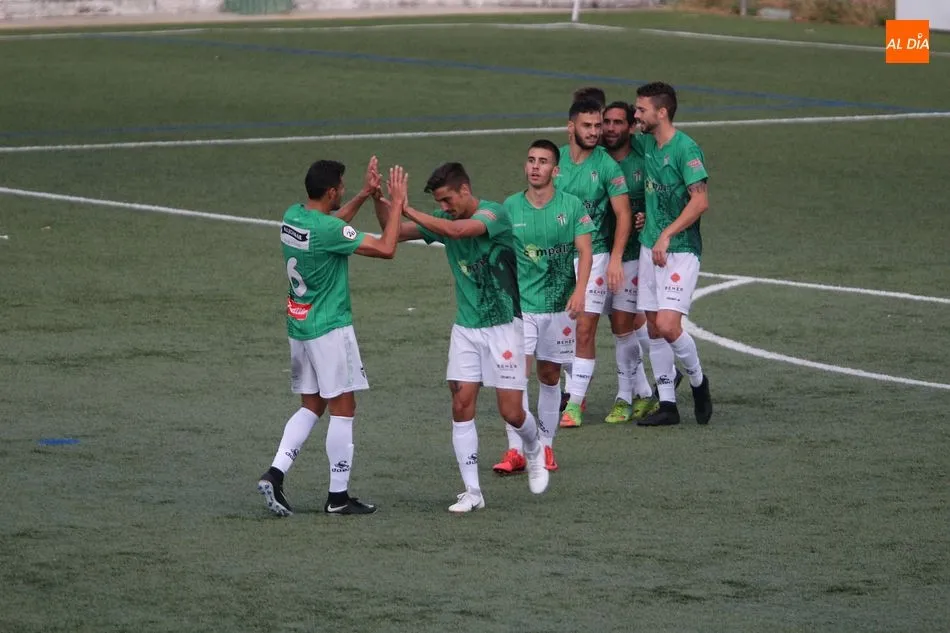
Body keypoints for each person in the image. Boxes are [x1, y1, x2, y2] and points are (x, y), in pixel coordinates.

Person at [373, 162, 549, 512]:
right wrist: (379, 199)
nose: (444, 207)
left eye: (447, 200)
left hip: (504, 326)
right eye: (439, 202)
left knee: (512, 412)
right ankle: (473, 492)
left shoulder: (494, 214)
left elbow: (457, 231)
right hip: (467, 327)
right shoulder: (444, 219)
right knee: (460, 401)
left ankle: (534, 448)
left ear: (465, 190)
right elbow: (394, 230)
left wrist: (405, 206)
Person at [257, 158, 406, 517]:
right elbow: (386, 248)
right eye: (341, 186)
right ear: (330, 192)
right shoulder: (327, 230)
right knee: (344, 409)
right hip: (329, 329)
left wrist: (364, 195)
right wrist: (396, 203)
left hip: (300, 326)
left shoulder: (293, 216)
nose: (343, 190)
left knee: (312, 406)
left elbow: (331, 225)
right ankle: (338, 497)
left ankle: (275, 473)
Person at [492, 139, 594, 476]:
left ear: (555, 169)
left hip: (558, 307)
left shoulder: (572, 206)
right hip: (520, 308)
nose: (535, 167)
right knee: (515, 377)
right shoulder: (510, 207)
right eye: (531, 160)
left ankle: (547, 446)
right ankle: (516, 450)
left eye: (543, 161)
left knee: (549, 376)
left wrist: (580, 291)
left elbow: (586, 251)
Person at [634, 82, 713, 426]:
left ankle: (698, 381)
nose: (637, 115)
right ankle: (667, 404)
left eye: (642, 109)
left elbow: (700, 201)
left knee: (668, 324)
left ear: (662, 112)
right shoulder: (648, 144)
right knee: (653, 327)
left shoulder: (686, 149)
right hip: (648, 246)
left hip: (680, 250)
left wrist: (666, 234)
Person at [555, 98, 632, 428]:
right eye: (587, 126)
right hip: (556, 258)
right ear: (570, 127)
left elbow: (623, 214)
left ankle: (574, 405)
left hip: (595, 255)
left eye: (598, 125)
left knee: (585, 328)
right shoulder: (554, 160)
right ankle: (574, 388)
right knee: (559, 332)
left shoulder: (608, 167)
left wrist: (615, 258)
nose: (594, 131)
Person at [600, 101, 662, 423]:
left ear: (630, 127)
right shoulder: (595, 157)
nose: (611, 128)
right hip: (599, 252)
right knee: (619, 324)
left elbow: (660, 194)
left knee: (627, 323)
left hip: (634, 255)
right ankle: (649, 390)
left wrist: (647, 216)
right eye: (606, 122)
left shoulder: (644, 156)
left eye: (618, 122)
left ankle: (628, 395)